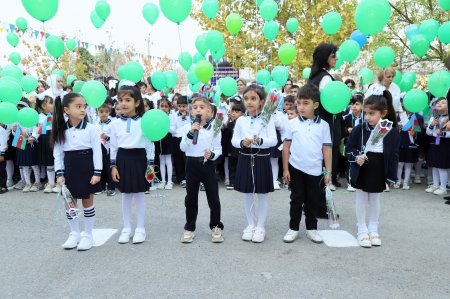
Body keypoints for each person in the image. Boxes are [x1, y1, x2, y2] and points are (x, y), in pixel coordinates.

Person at [346, 89, 399, 248]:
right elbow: (348, 149)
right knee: (361, 198)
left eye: (372, 113)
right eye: (366, 113)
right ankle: (361, 228)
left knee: (375, 199)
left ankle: (373, 228)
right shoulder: (359, 129)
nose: (368, 117)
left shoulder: (391, 132)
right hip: (362, 167)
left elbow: (394, 155)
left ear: (383, 113)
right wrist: (356, 156)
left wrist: (392, 176)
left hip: (378, 167)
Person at [282, 84, 332, 244]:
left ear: (315, 105)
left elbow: (327, 149)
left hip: (315, 170)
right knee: (296, 199)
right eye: (299, 103)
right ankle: (293, 228)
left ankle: (312, 228)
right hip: (295, 167)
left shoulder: (323, 125)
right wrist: (285, 169)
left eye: (306, 103)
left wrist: (328, 172)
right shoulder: (292, 123)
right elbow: (286, 147)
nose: (301, 107)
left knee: (313, 200)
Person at [52, 93, 103, 251]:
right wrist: (59, 174)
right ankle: (74, 233)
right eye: (78, 106)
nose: (82, 109)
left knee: (87, 200)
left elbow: (97, 151)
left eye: (84, 106)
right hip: (69, 166)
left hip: (87, 165)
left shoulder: (91, 129)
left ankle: (88, 235)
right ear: (66, 109)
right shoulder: (61, 130)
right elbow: (58, 153)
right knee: (70, 202)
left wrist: (97, 172)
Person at [231, 84, 277, 243]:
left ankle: (260, 226)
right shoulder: (241, 120)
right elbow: (234, 140)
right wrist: (242, 142)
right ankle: (250, 224)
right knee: (247, 193)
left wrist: (260, 140)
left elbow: (274, 140)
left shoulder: (268, 118)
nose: (249, 102)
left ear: (262, 101)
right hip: (245, 157)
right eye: (246, 99)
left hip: (261, 158)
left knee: (262, 193)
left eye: (253, 98)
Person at [110, 84, 155, 245]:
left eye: (128, 100)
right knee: (125, 194)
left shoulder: (144, 122)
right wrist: (113, 166)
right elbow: (113, 146)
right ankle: (127, 228)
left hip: (139, 158)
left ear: (137, 103)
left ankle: (140, 228)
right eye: (120, 100)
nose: (123, 103)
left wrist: (150, 165)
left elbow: (150, 145)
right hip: (123, 158)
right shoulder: (114, 123)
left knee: (139, 194)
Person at [180, 97, 224, 243]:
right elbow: (183, 147)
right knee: (191, 198)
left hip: (207, 164)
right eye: (195, 107)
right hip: (191, 163)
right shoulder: (188, 127)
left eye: (202, 107)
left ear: (209, 112)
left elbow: (218, 149)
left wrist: (212, 155)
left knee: (213, 197)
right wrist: (191, 133)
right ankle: (189, 227)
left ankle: (216, 226)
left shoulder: (215, 128)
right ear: (191, 111)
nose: (198, 109)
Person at [309, 43, 344, 193]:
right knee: (327, 157)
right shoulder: (325, 79)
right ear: (325, 58)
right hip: (327, 124)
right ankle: (323, 195)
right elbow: (331, 103)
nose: (336, 58)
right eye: (333, 55)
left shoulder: (314, 77)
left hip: (315, 124)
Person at [14, 99, 42, 193]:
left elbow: (36, 128)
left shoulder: (33, 117)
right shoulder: (17, 119)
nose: (20, 110)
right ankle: (27, 183)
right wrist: (15, 131)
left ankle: (37, 182)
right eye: (18, 109)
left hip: (31, 142)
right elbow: (15, 132)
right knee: (24, 164)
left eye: (22, 108)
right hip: (21, 141)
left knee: (33, 163)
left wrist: (33, 137)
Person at [395, 104, 424, 190]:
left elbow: (421, 131)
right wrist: (398, 128)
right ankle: (398, 181)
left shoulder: (418, 117)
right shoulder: (400, 116)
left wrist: (415, 133)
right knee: (399, 163)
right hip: (400, 142)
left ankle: (406, 182)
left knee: (408, 164)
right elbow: (395, 127)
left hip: (411, 143)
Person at [425, 97, 449, 196]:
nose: (439, 104)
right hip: (435, 142)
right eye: (438, 102)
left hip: (445, 143)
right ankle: (435, 185)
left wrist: (442, 134)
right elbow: (429, 132)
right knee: (434, 165)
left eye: (443, 103)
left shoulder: (448, 119)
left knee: (442, 166)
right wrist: (431, 125)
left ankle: (443, 187)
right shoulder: (434, 118)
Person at [34, 95, 57, 193]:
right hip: (45, 139)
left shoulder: (56, 116)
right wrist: (33, 137)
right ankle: (51, 182)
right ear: (44, 106)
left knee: (58, 160)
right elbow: (36, 130)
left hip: (55, 138)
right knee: (49, 162)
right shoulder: (38, 117)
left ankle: (60, 182)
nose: (53, 105)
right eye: (51, 103)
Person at [222, 102, 245, 190]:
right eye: (233, 111)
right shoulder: (230, 124)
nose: (234, 113)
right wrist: (226, 123)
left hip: (242, 148)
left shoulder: (244, 124)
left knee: (241, 165)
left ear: (242, 113)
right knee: (232, 166)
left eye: (237, 112)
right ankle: (232, 182)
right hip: (231, 149)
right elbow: (226, 136)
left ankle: (241, 181)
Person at [343, 93, 363, 192]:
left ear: (362, 105)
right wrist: (347, 129)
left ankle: (360, 180)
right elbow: (343, 129)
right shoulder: (347, 117)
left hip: (362, 143)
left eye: (357, 104)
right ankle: (350, 182)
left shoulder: (365, 118)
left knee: (361, 160)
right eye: (352, 104)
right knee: (350, 161)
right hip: (350, 143)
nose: (354, 106)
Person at [95, 103, 116, 196]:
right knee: (100, 167)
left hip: (109, 149)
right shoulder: (95, 124)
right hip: (99, 148)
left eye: (106, 112)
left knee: (109, 168)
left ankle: (111, 187)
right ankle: (101, 186)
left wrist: (106, 137)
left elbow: (115, 138)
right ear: (97, 112)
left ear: (109, 112)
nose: (104, 114)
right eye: (101, 112)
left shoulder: (112, 124)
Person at [155, 98, 175, 190]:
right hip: (159, 139)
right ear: (158, 107)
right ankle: (163, 181)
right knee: (161, 161)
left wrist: (165, 126)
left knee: (168, 160)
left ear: (169, 108)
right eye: (161, 106)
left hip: (168, 139)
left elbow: (173, 130)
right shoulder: (157, 116)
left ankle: (170, 181)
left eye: (166, 106)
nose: (163, 108)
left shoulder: (171, 117)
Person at [173, 96, 190, 188]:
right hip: (177, 138)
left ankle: (188, 177)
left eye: (184, 106)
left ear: (187, 106)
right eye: (180, 106)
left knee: (187, 158)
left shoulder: (190, 115)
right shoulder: (174, 115)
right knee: (178, 159)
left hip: (187, 138)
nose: (182, 108)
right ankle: (181, 178)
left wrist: (185, 118)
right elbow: (172, 127)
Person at [0, 123, 7, 194]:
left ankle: (3, 186)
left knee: (1, 170)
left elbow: (3, 143)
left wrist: (2, 154)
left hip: (0, 152)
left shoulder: (2, 130)